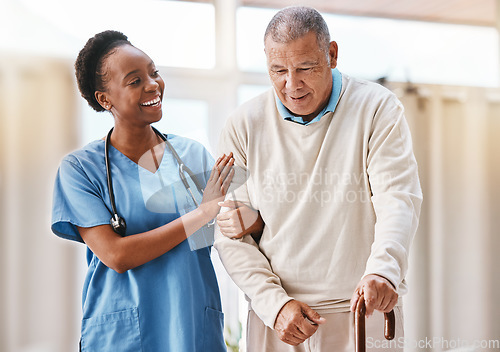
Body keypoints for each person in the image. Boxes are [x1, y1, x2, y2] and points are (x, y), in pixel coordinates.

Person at [214, 6, 422, 352]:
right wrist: (273, 304)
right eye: (278, 70)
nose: (291, 84)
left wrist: (384, 270)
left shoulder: (377, 108)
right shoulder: (243, 123)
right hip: (278, 319)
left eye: (305, 68)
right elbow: (229, 232)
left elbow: (397, 197)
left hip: (359, 310)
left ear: (332, 54)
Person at [51, 30, 244, 351]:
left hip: (192, 328)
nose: (153, 85)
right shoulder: (81, 169)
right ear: (104, 99)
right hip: (122, 338)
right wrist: (201, 213)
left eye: (154, 73)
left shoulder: (192, 155)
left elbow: (231, 230)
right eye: (134, 80)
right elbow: (116, 255)